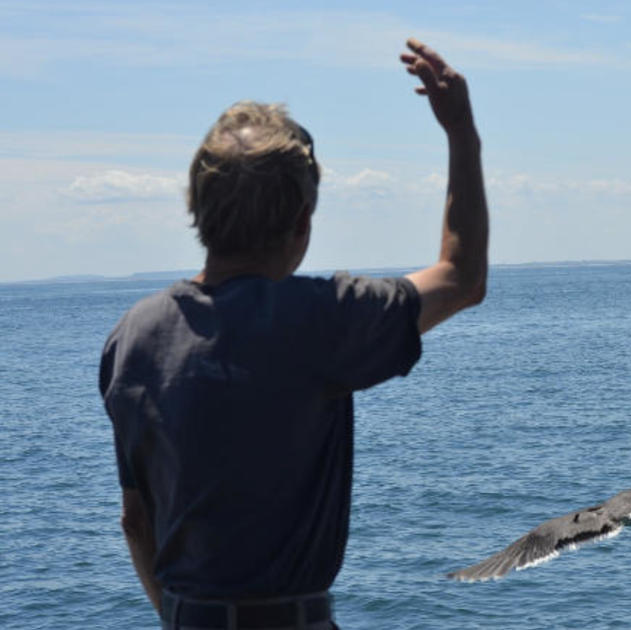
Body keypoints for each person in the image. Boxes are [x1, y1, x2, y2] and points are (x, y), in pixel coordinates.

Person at [99, 39, 486, 629]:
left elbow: (136, 522)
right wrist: (461, 129)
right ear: (303, 222)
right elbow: (461, 277)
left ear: (197, 210)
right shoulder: (319, 318)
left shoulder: (133, 335)